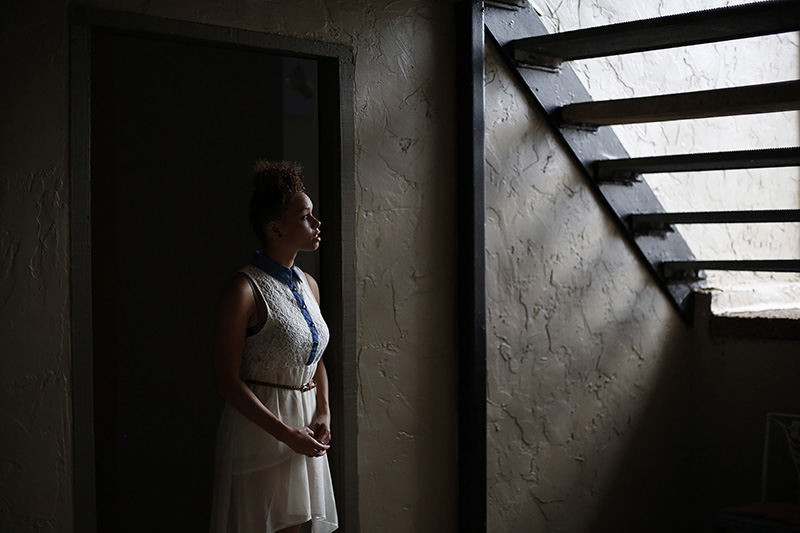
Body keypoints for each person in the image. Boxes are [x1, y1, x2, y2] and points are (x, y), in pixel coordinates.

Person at [209, 161, 338, 533]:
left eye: (313, 215)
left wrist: (324, 412)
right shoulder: (245, 289)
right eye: (305, 216)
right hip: (263, 429)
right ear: (275, 227)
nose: (316, 224)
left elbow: (313, 358)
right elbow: (225, 381)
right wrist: (285, 434)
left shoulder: (308, 284)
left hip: (307, 426)